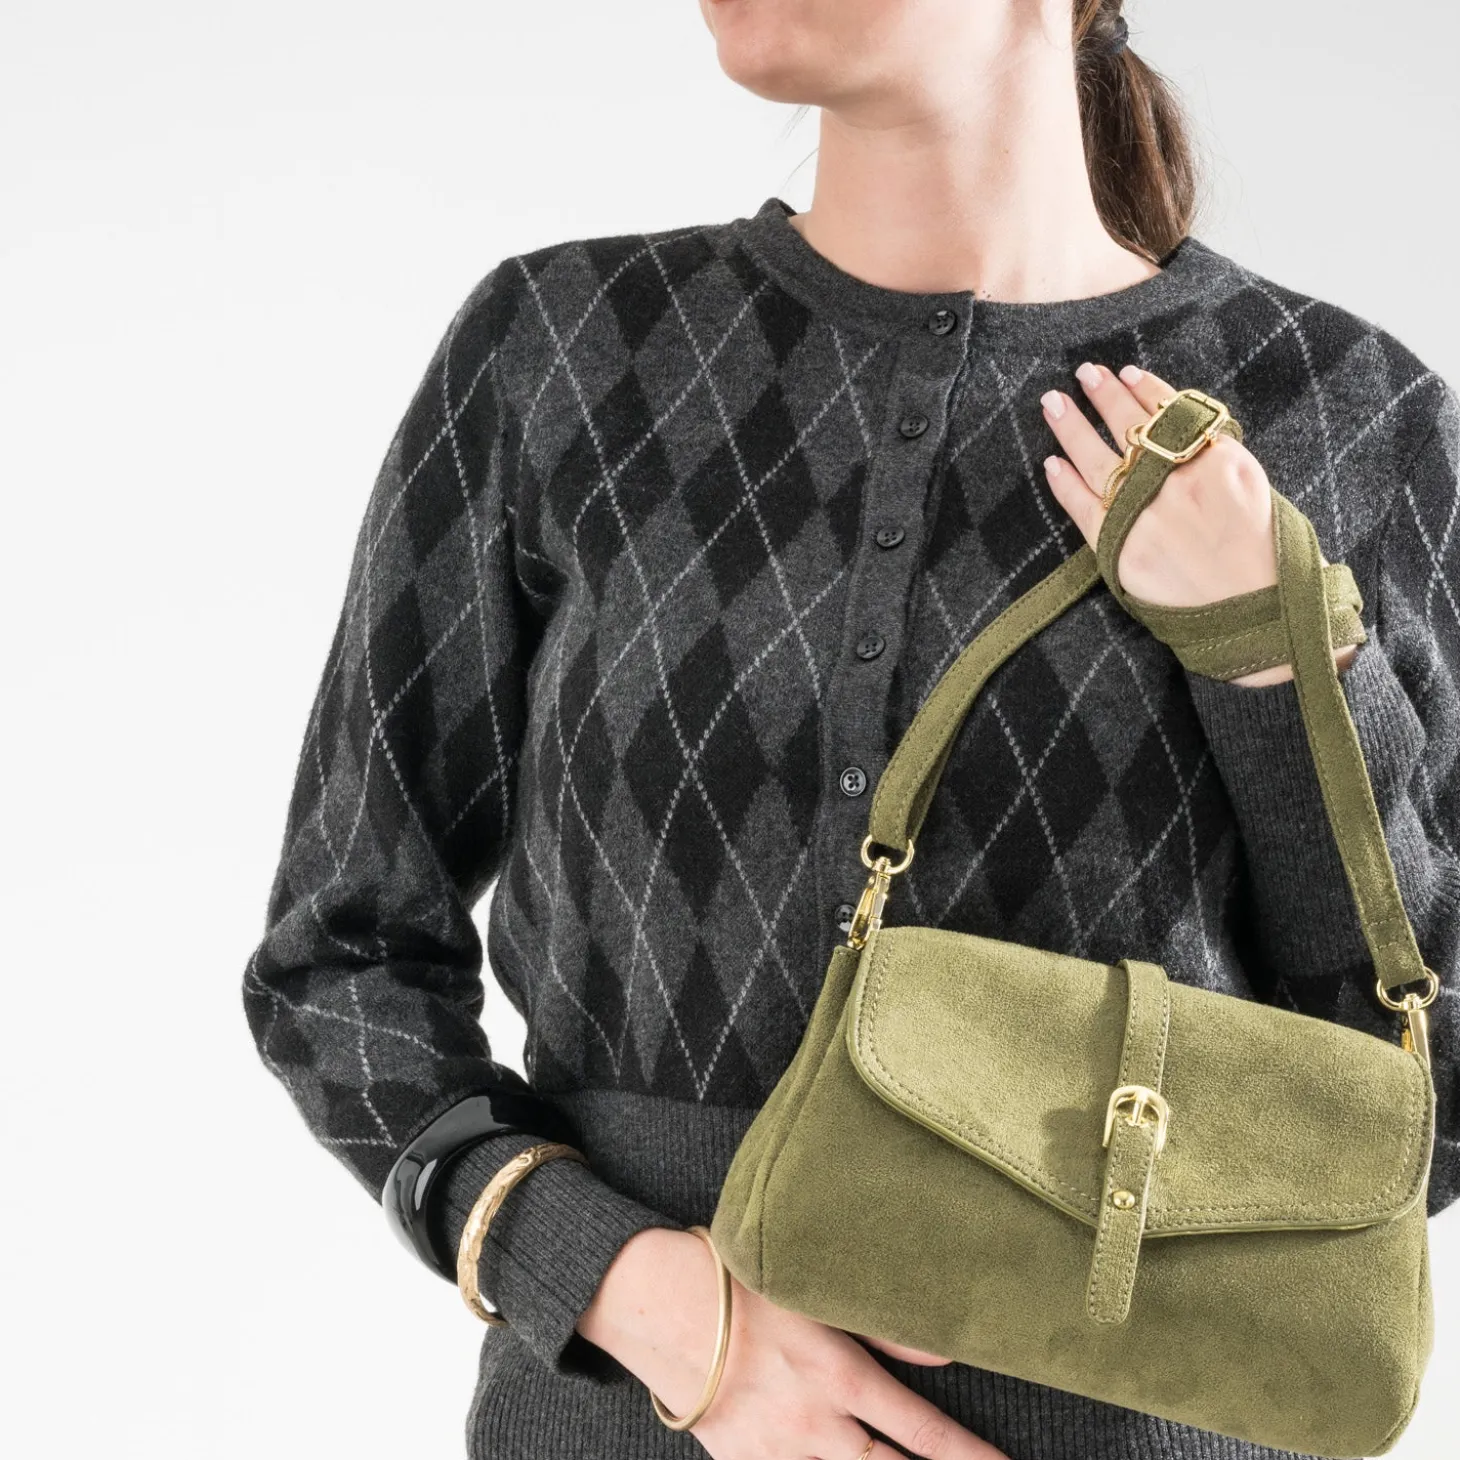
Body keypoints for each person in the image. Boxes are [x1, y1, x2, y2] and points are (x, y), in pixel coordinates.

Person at [241, 2, 1459, 1458]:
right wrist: (628, 1288)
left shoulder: (1355, 423)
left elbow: (1425, 1109)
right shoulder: (564, 354)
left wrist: (1275, 659)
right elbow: (339, 954)